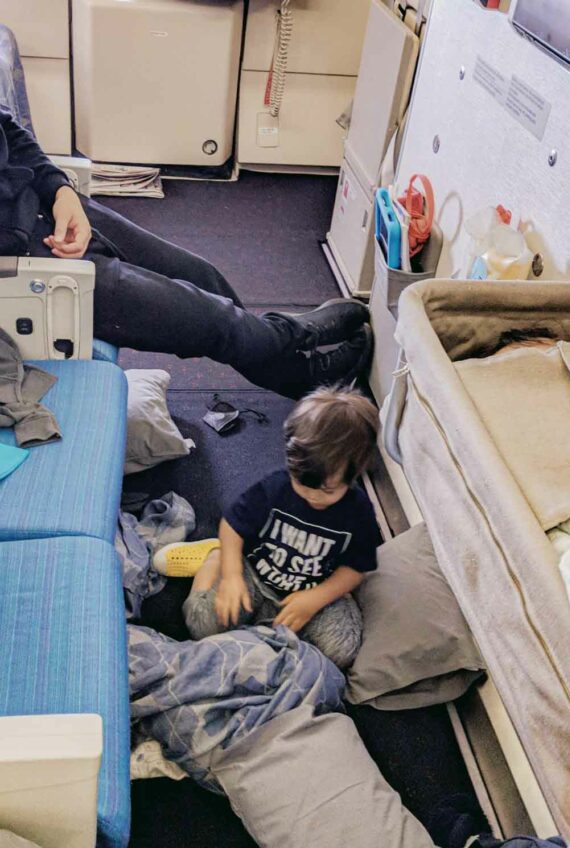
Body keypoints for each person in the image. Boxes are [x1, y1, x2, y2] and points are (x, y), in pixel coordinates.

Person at [0, 106, 371, 398]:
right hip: (27, 266)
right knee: (214, 322)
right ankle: (294, 338)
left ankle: (297, 377)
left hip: (47, 210)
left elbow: (9, 131)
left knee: (202, 275)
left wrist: (60, 190)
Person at [153, 387, 381, 668]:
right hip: (253, 573)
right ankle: (215, 555)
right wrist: (233, 575)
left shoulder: (359, 513)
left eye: (326, 490)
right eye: (302, 483)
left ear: (356, 472)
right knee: (203, 626)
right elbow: (233, 526)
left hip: (312, 588)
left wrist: (315, 598)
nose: (311, 496)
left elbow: (356, 569)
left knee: (340, 653)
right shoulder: (274, 487)